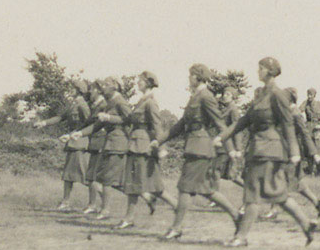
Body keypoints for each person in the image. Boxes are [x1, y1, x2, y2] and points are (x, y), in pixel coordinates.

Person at [213, 57, 317, 247]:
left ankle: (241, 237)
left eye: (260, 68)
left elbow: (287, 123)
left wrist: (294, 151)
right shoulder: (261, 94)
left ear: (269, 71)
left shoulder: (277, 94)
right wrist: (223, 136)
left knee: (252, 194)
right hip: (259, 149)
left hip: (269, 150)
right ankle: (306, 223)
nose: (257, 71)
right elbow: (244, 120)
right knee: (276, 193)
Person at [155, 64, 241, 240]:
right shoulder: (196, 96)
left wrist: (231, 149)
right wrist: (159, 140)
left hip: (200, 147)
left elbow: (220, 124)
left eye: (190, 75)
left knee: (185, 188)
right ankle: (237, 216)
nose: (188, 78)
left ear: (196, 77)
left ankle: (176, 228)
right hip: (195, 147)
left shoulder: (206, 96)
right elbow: (180, 125)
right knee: (207, 190)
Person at [115, 71, 178, 229]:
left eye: (141, 81)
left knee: (152, 185)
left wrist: (161, 147)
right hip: (135, 145)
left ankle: (178, 206)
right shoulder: (142, 101)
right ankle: (129, 218)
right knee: (135, 184)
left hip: (143, 147)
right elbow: (128, 119)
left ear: (148, 83)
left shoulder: (150, 102)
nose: (138, 83)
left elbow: (157, 125)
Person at [71, 77, 131, 219]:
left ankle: (106, 211)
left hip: (118, 144)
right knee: (106, 179)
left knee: (107, 179)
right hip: (110, 144)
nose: (103, 88)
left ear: (115, 86)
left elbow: (130, 119)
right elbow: (98, 125)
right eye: (103, 85)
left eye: (106, 85)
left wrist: (109, 118)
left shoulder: (120, 102)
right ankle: (146, 197)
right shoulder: (110, 103)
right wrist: (80, 133)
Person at [263, 88, 320, 220]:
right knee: (296, 182)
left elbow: (305, 134)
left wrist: (314, 153)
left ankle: (274, 210)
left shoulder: (296, 113)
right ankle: (316, 202)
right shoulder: (284, 111)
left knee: (278, 179)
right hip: (282, 149)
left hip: (291, 152)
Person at [35, 78, 92, 210]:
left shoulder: (83, 105)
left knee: (86, 177)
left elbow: (89, 124)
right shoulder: (73, 105)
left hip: (81, 144)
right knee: (68, 176)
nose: (69, 90)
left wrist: (77, 133)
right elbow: (60, 117)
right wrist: (44, 123)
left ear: (78, 91)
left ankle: (95, 203)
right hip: (73, 144)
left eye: (72, 88)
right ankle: (65, 202)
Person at [80, 79, 108, 214]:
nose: (90, 92)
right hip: (95, 143)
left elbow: (95, 124)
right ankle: (94, 204)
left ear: (97, 90)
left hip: (100, 143)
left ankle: (102, 206)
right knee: (91, 176)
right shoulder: (96, 105)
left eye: (91, 89)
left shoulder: (103, 105)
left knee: (94, 177)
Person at [299, 87, 320, 175]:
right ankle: (310, 171)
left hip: (318, 129)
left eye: (311, 95)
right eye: (308, 95)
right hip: (309, 128)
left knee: (319, 150)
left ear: (314, 95)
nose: (309, 96)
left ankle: (319, 171)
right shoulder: (306, 103)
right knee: (309, 150)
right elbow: (299, 110)